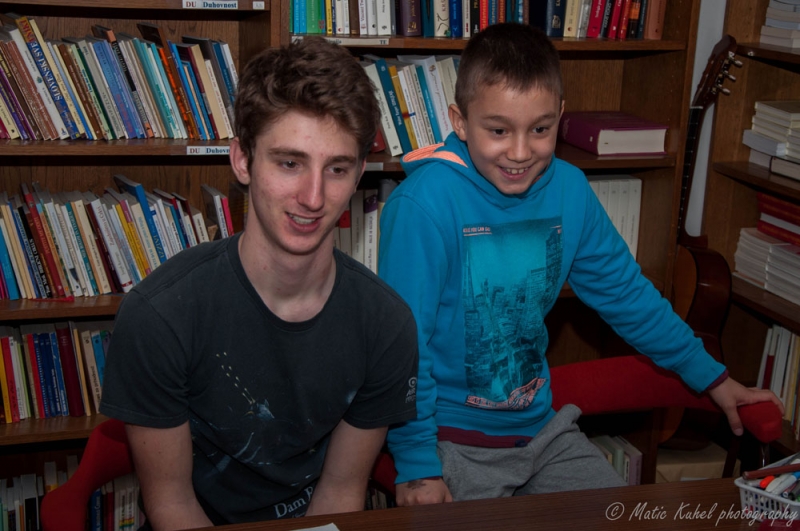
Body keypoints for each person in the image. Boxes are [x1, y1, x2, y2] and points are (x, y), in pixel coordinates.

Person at [377, 22, 782, 506]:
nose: (520, 152)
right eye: (498, 130)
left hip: (542, 432)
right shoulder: (422, 206)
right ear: (460, 122)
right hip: (449, 440)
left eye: (540, 129)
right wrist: (417, 464)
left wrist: (715, 379)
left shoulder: (569, 189)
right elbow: (404, 349)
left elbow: (628, 296)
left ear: (561, 118)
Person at [99, 37, 419, 529]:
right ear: (242, 160)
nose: (313, 197)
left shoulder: (386, 325)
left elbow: (340, 491)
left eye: (337, 168)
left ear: (359, 174)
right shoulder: (160, 316)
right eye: (290, 163)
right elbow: (171, 504)